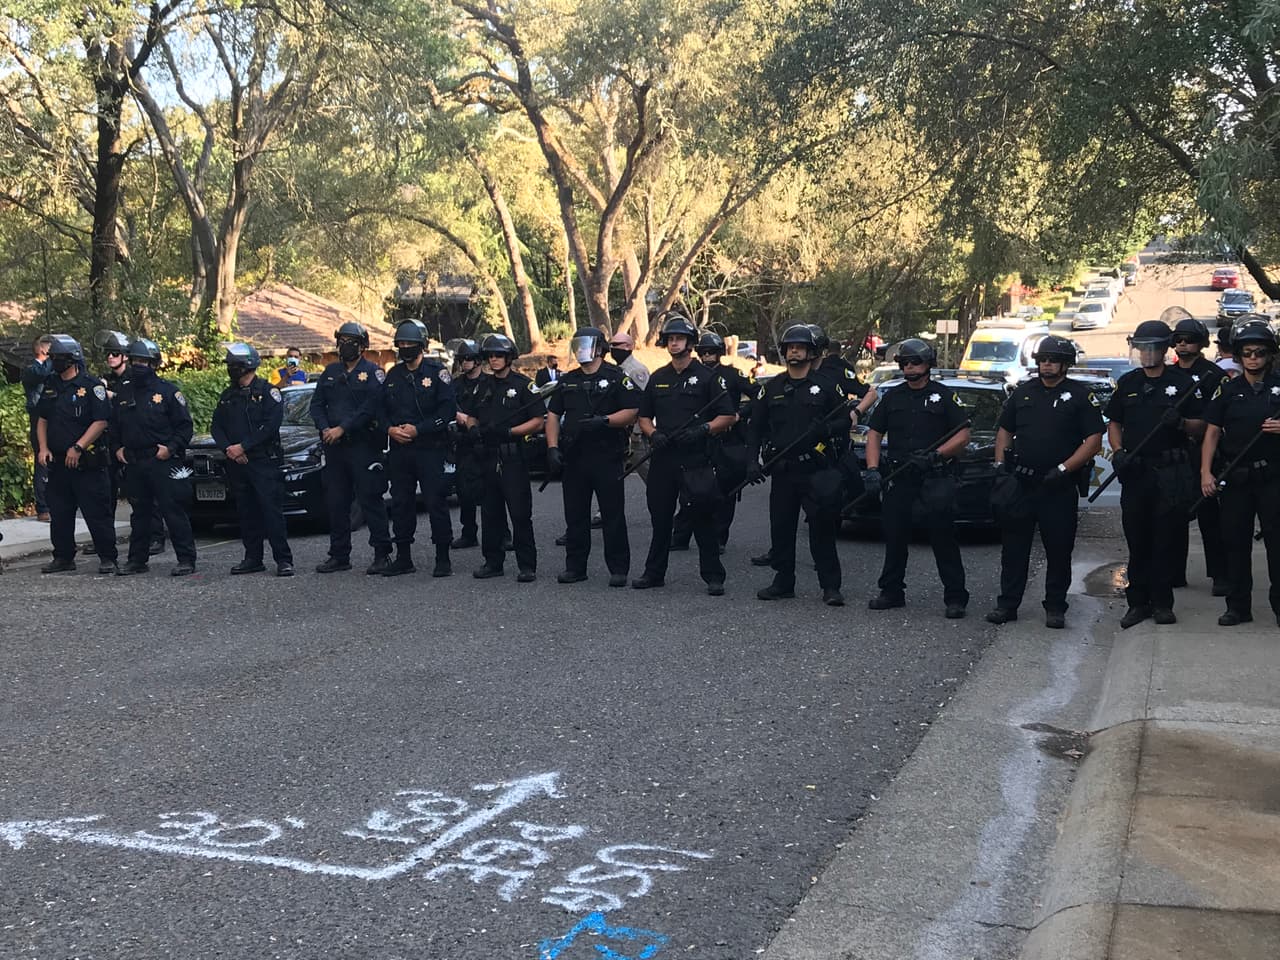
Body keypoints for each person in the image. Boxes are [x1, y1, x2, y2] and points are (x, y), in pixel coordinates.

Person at [986, 335, 1104, 628]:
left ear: (1066, 364)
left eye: (1053, 360)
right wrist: (1000, 466)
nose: (1047, 365)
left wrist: (1064, 469)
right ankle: (1007, 605)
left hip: (1057, 485)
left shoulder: (1079, 395)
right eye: (1042, 360)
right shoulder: (1024, 392)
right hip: (1021, 483)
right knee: (1014, 550)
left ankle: (1055, 607)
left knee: (1059, 549)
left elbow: (1093, 440)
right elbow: (1005, 431)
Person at [1105, 319, 1206, 628]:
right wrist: (1118, 451)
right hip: (1136, 473)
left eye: (1152, 348)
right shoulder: (1129, 383)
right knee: (1138, 541)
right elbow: (1114, 423)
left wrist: (1182, 423)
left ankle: (1162, 603)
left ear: (1164, 349)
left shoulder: (1183, 383)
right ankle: (1137, 603)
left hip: (1169, 474)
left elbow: (1202, 426)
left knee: (1165, 541)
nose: (1147, 353)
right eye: (1142, 348)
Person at [863, 338, 971, 617]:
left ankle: (955, 598)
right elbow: (874, 433)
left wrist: (937, 455)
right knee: (895, 537)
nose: (909, 367)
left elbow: (963, 435)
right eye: (905, 363)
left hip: (935, 476)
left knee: (943, 538)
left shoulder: (944, 396)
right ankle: (891, 592)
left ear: (928, 364)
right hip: (900, 476)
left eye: (915, 362)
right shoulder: (893, 397)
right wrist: (872, 470)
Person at [633, 314, 736, 594]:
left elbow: (728, 415)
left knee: (703, 519)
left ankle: (714, 576)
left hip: (695, 459)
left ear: (690, 343)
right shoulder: (658, 377)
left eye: (679, 338)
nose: (674, 343)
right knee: (660, 519)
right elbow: (644, 417)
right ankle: (654, 573)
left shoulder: (708, 377)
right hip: (664, 458)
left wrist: (704, 429)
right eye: (670, 339)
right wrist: (654, 434)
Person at [748, 324, 849, 605]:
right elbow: (755, 428)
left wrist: (826, 431)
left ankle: (831, 587)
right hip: (783, 470)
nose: (794, 351)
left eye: (800, 347)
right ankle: (783, 582)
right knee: (781, 529)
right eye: (790, 347)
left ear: (811, 352)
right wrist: (751, 462)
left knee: (822, 530)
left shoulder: (826, 386)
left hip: (816, 469)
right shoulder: (772, 388)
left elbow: (845, 421)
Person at [1199, 317, 1280, 626]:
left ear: (1269, 354)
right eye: (1247, 352)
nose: (1253, 358)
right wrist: (1206, 473)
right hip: (1236, 477)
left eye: (1260, 352)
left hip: (1273, 477)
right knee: (1234, 543)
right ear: (1238, 355)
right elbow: (1211, 433)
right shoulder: (1228, 390)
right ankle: (1238, 607)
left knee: (1277, 545)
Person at [545, 326, 640, 586]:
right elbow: (553, 415)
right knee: (575, 516)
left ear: (599, 348)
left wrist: (606, 421)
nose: (580, 350)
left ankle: (618, 569)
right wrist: (552, 447)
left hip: (606, 455)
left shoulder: (616, 377)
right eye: (576, 345)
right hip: (574, 457)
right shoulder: (568, 380)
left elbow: (632, 410)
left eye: (584, 345)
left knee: (612, 515)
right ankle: (575, 567)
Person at [310, 321, 392, 574]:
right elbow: (316, 405)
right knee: (336, 503)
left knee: (370, 499)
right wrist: (325, 428)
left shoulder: (374, 373)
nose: (345, 346)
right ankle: (339, 555)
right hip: (334, 448)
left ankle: (382, 554)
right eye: (342, 341)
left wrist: (342, 428)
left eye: (351, 342)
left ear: (362, 346)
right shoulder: (330, 372)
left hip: (363, 446)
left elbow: (369, 408)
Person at [110, 338, 197, 576]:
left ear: (153, 363)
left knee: (173, 511)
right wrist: (117, 448)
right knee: (140, 514)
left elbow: (185, 427)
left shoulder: (168, 392)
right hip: (134, 461)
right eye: (135, 360)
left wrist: (170, 448)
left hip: (162, 460)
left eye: (143, 361)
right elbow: (114, 425)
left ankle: (186, 559)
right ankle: (137, 560)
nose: (138, 365)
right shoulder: (123, 392)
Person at [463, 333, 544, 581]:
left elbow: (538, 420)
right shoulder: (482, 386)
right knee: (490, 514)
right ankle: (493, 562)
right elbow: (471, 415)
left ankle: (527, 565)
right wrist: (473, 429)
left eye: (499, 355)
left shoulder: (524, 385)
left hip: (513, 458)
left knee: (519, 513)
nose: (494, 359)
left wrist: (511, 432)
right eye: (490, 355)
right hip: (487, 456)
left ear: (509, 357)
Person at [34, 335, 118, 574]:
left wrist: (79, 447)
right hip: (58, 462)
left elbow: (100, 421)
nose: (55, 362)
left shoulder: (92, 386)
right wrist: (43, 448)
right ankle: (63, 557)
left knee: (97, 513)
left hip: (87, 463)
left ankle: (107, 557)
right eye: (52, 357)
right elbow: (42, 419)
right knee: (60, 513)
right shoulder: (51, 384)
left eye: (59, 358)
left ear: (72, 359)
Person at [210, 343, 294, 576]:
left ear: (247, 366)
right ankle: (253, 558)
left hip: (263, 461)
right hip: (237, 462)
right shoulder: (228, 396)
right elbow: (216, 427)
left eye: (234, 365)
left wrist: (244, 446)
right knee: (246, 512)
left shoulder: (268, 392)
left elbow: (270, 426)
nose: (230, 369)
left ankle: (283, 560)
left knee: (271, 511)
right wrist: (229, 449)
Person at [381, 320, 456, 578]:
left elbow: (447, 411)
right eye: (401, 344)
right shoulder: (393, 375)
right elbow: (380, 410)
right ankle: (403, 557)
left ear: (422, 345)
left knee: (435, 501)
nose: (405, 348)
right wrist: (389, 429)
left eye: (410, 344)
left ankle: (443, 557)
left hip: (430, 449)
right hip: (400, 450)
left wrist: (419, 430)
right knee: (401, 503)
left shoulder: (437, 373)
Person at [671, 331, 754, 551]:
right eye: (704, 352)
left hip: (727, 440)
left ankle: (718, 538)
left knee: (725, 492)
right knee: (690, 490)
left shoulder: (733, 375)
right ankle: (680, 536)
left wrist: (739, 415)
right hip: (697, 439)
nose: (707, 356)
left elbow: (760, 395)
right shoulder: (691, 375)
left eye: (712, 352)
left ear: (720, 353)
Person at [1169, 314, 1230, 594]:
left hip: (1205, 452)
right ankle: (1175, 573)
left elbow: (1216, 420)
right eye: (1178, 339)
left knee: (1210, 517)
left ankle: (1220, 574)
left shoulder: (1213, 375)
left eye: (1189, 340)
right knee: (1174, 515)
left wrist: (1186, 424)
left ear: (1202, 343)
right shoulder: (1167, 374)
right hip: (1173, 453)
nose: (1183, 344)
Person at [450, 339, 491, 550]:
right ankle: (468, 533)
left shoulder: (489, 383)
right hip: (464, 444)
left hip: (485, 441)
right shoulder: (455, 385)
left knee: (491, 492)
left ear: (477, 361)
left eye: (467, 359)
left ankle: (501, 534)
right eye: (461, 359)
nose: (464, 363)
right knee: (464, 491)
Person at [21, 334, 53, 521]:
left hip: (53, 417)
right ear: (42, 349)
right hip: (38, 417)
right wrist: (51, 360)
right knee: (42, 458)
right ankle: (43, 507)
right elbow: (41, 375)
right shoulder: (31, 369)